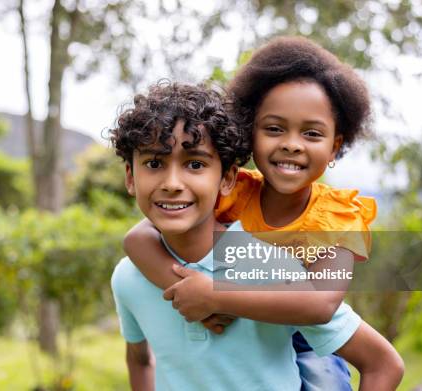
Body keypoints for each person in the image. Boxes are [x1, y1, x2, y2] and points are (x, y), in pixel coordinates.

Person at [123, 37, 403, 390]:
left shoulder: (338, 216)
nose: (291, 143)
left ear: (334, 146)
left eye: (312, 133)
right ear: (249, 132)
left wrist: (216, 297)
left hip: (309, 338)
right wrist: (187, 294)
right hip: (249, 333)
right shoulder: (235, 189)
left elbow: (319, 306)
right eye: (274, 128)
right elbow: (138, 238)